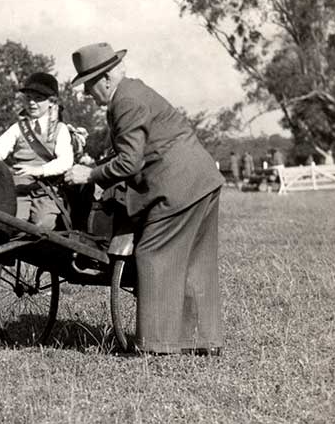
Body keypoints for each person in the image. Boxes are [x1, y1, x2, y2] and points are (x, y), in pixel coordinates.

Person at [63, 42, 224, 356]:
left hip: (176, 185)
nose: (86, 94)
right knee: (195, 262)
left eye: (88, 86)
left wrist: (89, 175)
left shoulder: (126, 102)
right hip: (201, 180)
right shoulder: (134, 92)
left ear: (106, 79)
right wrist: (97, 165)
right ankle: (204, 341)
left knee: (152, 254)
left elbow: (130, 163)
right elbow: (131, 151)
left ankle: (157, 347)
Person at [0, 72, 74, 230]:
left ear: (51, 102)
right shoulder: (18, 128)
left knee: (44, 225)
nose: (32, 103)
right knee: (11, 224)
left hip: (47, 190)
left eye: (39, 99)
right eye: (28, 98)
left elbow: (66, 161)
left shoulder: (60, 129)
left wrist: (38, 170)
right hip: (19, 189)